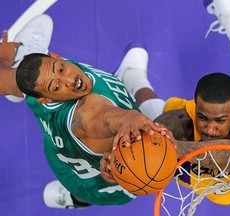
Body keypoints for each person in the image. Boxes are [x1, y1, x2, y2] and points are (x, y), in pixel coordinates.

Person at [101, 0, 230, 206]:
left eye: (220, 120)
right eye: (203, 117)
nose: (209, 127)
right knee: (151, 120)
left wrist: (173, 148)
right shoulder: (181, 121)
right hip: (204, 179)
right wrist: (119, 160)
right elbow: (142, 144)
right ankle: (132, 77)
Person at [0, 17, 170, 208]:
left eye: (62, 68)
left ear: (55, 56)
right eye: (56, 86)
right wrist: (131, 117)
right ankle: (75, 199)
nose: (69, 80)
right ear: (47, 99)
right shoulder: (85, 115)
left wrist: (6, 55)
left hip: (59, 151)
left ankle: (23, 57)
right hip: (95, 182)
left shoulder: (41, 88)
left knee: (27, 80)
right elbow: (105, 118)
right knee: (157, 121)